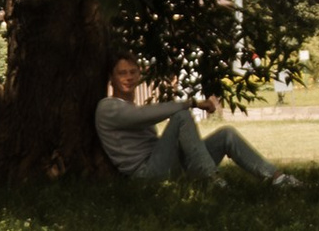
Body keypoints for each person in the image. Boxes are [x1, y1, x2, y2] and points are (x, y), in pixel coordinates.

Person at [96, 59, 296, 188]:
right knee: (181, 116)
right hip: (146, 174)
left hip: (166, 164)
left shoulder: (130, 106)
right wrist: (192, 103)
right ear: (111, 79)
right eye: (122, 73)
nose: (129, 77)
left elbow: (143, 114)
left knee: (226, 134)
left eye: (133, 72)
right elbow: (141, 115)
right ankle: (213, 180)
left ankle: (278, 178)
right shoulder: (108, 108)